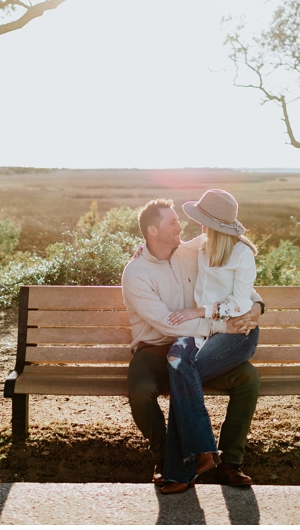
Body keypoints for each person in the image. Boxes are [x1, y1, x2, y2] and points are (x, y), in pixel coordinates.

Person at [120, 197, 263, 494]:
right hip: (154, 349)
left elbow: (235, 273)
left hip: (198, 345)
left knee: (248, 378)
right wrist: (223, 326)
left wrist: (258, 304)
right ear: (152, 231)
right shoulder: (136, 273)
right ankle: (165, 458)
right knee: (140, 391)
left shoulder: (190, 250)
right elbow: (166, 324)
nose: (180, 226)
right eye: (172, 222)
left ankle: (228, 462)